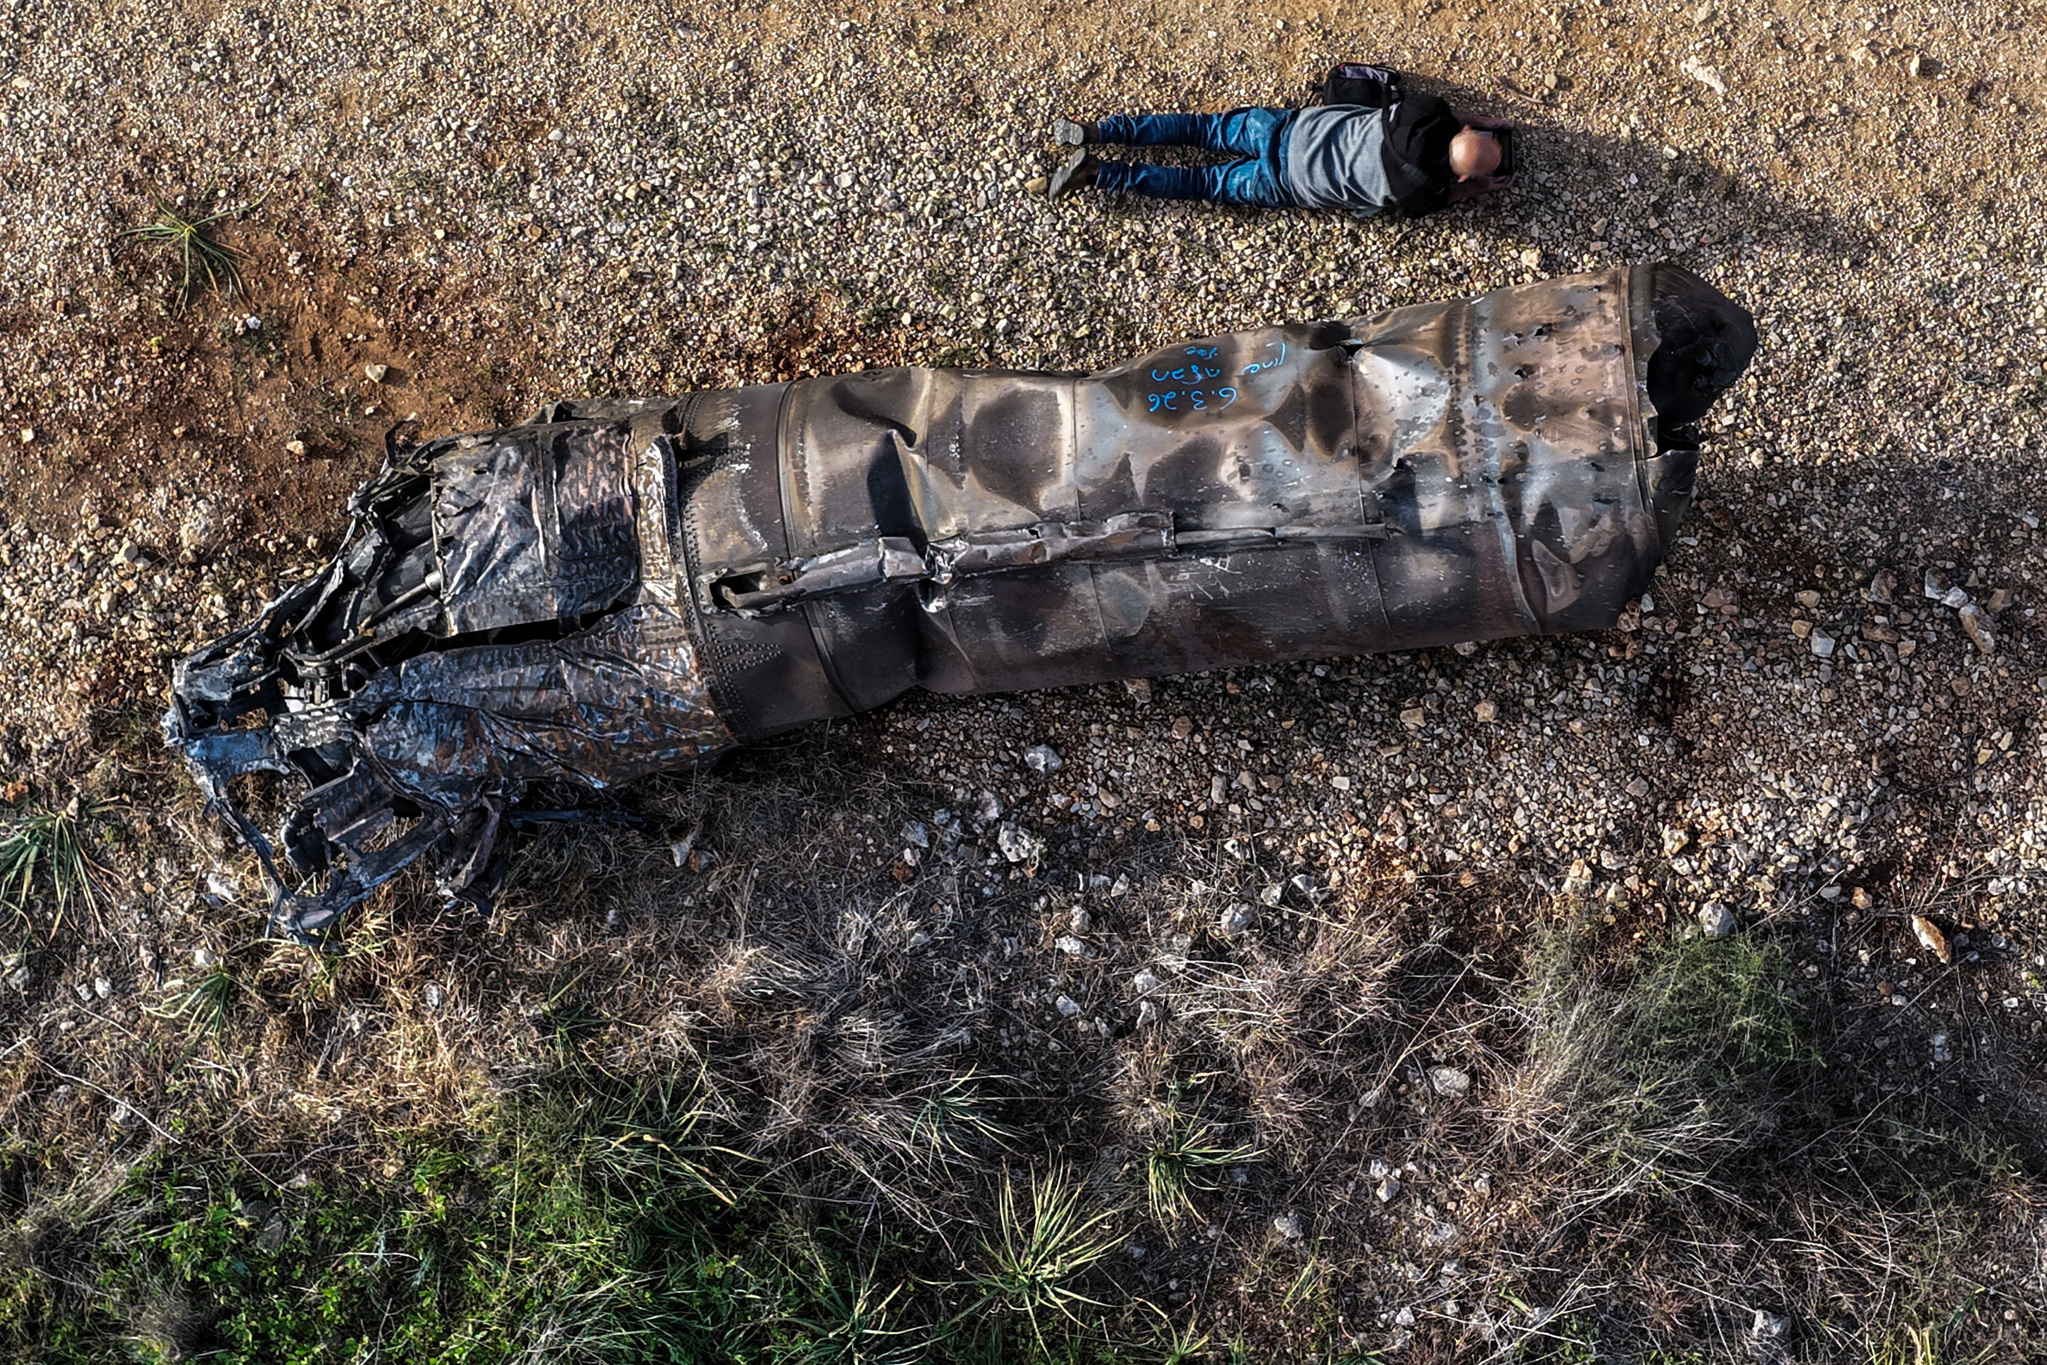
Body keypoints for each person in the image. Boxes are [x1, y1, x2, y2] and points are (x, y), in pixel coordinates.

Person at [1042, 94, 1513, 217]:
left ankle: (1098, 131)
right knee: (1201, 183)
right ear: (1460, 176)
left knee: (1200, 129)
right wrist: (1479, 188)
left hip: (1283, 129)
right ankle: (1099, 173)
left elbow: (1454, 116)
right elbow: (1449, 196)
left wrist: (1486, 123)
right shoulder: (1423, 192)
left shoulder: (1425, 114)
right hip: (1286, 183)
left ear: (1462, 130)